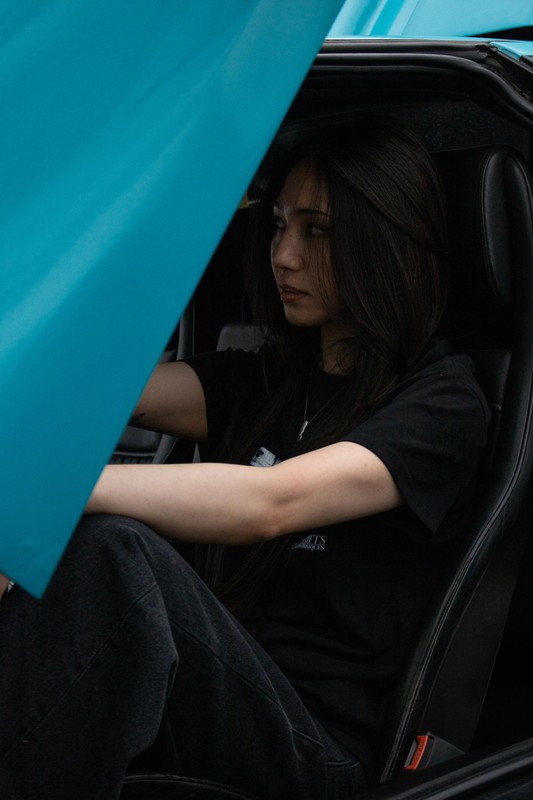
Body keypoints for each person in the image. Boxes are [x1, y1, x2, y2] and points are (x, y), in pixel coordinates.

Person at [0, 120, 490, 800]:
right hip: (210, 690)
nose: (283, 255)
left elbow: (270, 504)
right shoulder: (270, 380)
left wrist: (62, 488)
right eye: (280, 226)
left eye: (317, 232)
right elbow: (90, 393)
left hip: (313, 751)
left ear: (384, 239)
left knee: (114, 554)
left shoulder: (443, 403)